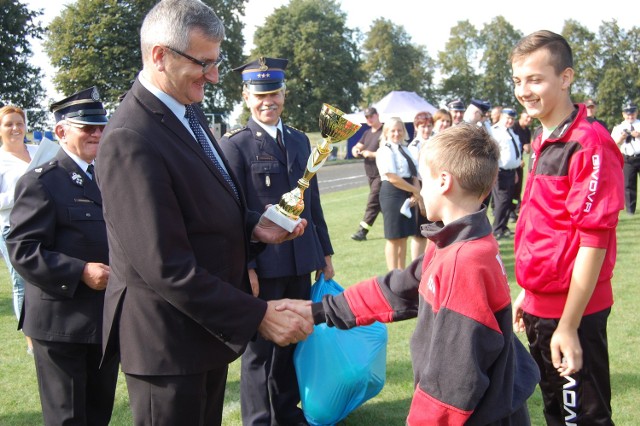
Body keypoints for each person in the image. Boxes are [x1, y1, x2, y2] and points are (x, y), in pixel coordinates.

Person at [95, 1, 312, 424]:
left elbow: (200, 207)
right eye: (203, 63)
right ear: (160, 55)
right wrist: (259, 315)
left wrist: (255, 225)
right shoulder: (130, 137)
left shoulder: (187, 113)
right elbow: (165, 266)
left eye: (216, 62)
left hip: (200, 333)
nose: (213, 76)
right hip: (168, 346)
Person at [280, 124, 540, 425]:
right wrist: (318, 310)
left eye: (422, 178)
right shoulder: (457, 241)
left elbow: (451, 377)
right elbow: (398, 289)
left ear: (443, 182)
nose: (419, 186)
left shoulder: (463, 261)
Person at [511, 30, 624, 425]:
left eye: (536, 79)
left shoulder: (588, 143)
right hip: (542, 309)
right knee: (557, 415)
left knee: (583, 420)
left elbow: (593, 240)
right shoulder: (544, 140)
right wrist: (528, 292)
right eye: (518, 80)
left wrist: (570, 324)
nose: (525, 90)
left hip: (572, 314)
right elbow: (545, 229)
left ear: (566, 77)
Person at [219, 57, 334, 426]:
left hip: (300, 259)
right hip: (264, 264)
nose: (268, 101)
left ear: (284, 94)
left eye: (274, 93)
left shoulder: (300, 140)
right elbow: (233, 215)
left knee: (294, 339)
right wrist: (247, 267)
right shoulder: (234, 146)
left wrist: (324, 253)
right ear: (246, 96)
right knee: (260, 351)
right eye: (260, 95)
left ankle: (285, 413)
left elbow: (312, 204)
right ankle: (258, 419)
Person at [6, 87, 119, 425]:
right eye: (88, 127)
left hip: (103, 321)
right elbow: (22, 249)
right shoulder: (42, 182)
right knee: (68, 419)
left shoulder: (108, 178)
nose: (97, 134)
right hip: (60, 325)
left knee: (99, 415)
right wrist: (80, 271)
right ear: (61, 131)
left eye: (101, 126)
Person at [0, 105, 39, 354]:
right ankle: (31, 341)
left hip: (44, 222)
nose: (15, 128)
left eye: (19, 123)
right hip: (12, 229)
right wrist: (24, 189)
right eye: (9, 124)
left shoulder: (38, 151)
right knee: (21, 284)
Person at [375, 117, 422, 271]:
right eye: (393, 130)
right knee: (394, 237)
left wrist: (415, 193)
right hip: (393, 194)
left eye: (399, 130)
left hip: (408, 193)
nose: (396, 133)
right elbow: (392, 177)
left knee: (404, 236)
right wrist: (415, 191)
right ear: (386, 132)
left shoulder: (406, 149)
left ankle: (402, 273)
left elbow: (414, 173)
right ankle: (392, 274)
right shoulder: (384, 150)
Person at [350, 106, 383, 241]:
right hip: (370, 174)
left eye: (371, 116)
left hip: (382, 174)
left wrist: (372, 154)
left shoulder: (384, 132)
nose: (369, 119)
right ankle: (402, 227)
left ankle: (362, 232)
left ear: (377, 115)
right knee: (381, 205)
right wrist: (355, 150)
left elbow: (387, 151)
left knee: (372, 203)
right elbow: (358, 146)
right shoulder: (367, 133)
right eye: (367, 117)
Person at [490, 107, 521, 240]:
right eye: (507, 118)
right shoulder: (495, 132)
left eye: (512, 119)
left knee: (508, 201)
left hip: (511, 171)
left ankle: (503, 226)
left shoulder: (511, 132)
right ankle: (496, 229)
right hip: (500, 172)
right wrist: (494, 171)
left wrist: (514, 171)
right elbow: (492, 153)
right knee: (501, 201)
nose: (510, 121)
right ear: (501, 117)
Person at [407, 111, 431, 259]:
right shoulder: (414, 146)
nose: (426, 130)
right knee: (419, 232)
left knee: (432, 229)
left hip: (433, 185)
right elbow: (413, 173)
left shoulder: (435, 141)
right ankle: (416, 264)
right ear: (416, 127)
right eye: (422, 126)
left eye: (429, 126)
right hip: (420, 186)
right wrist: (418, 195)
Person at [611, 102, 640, 214]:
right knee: (628, 185)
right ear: (623, 114)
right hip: (628, 158)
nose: (630, 116)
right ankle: (630, 211)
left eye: (632, 113)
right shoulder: (619, 127)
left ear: (636, 113)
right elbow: (613, 143)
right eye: (628, 114)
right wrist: (621, 138)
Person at [510, 110, 532, 221]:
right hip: (511, 163)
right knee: (510, 188)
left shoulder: (527, 131)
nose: (529, 120)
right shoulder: (514, 127)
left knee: (518, 188)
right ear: (521, 116)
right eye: (527, 117)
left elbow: (526, 147)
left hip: (520, 163)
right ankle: (509, 212)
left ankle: (515, 209)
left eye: (531, 118)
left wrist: (527, 149)